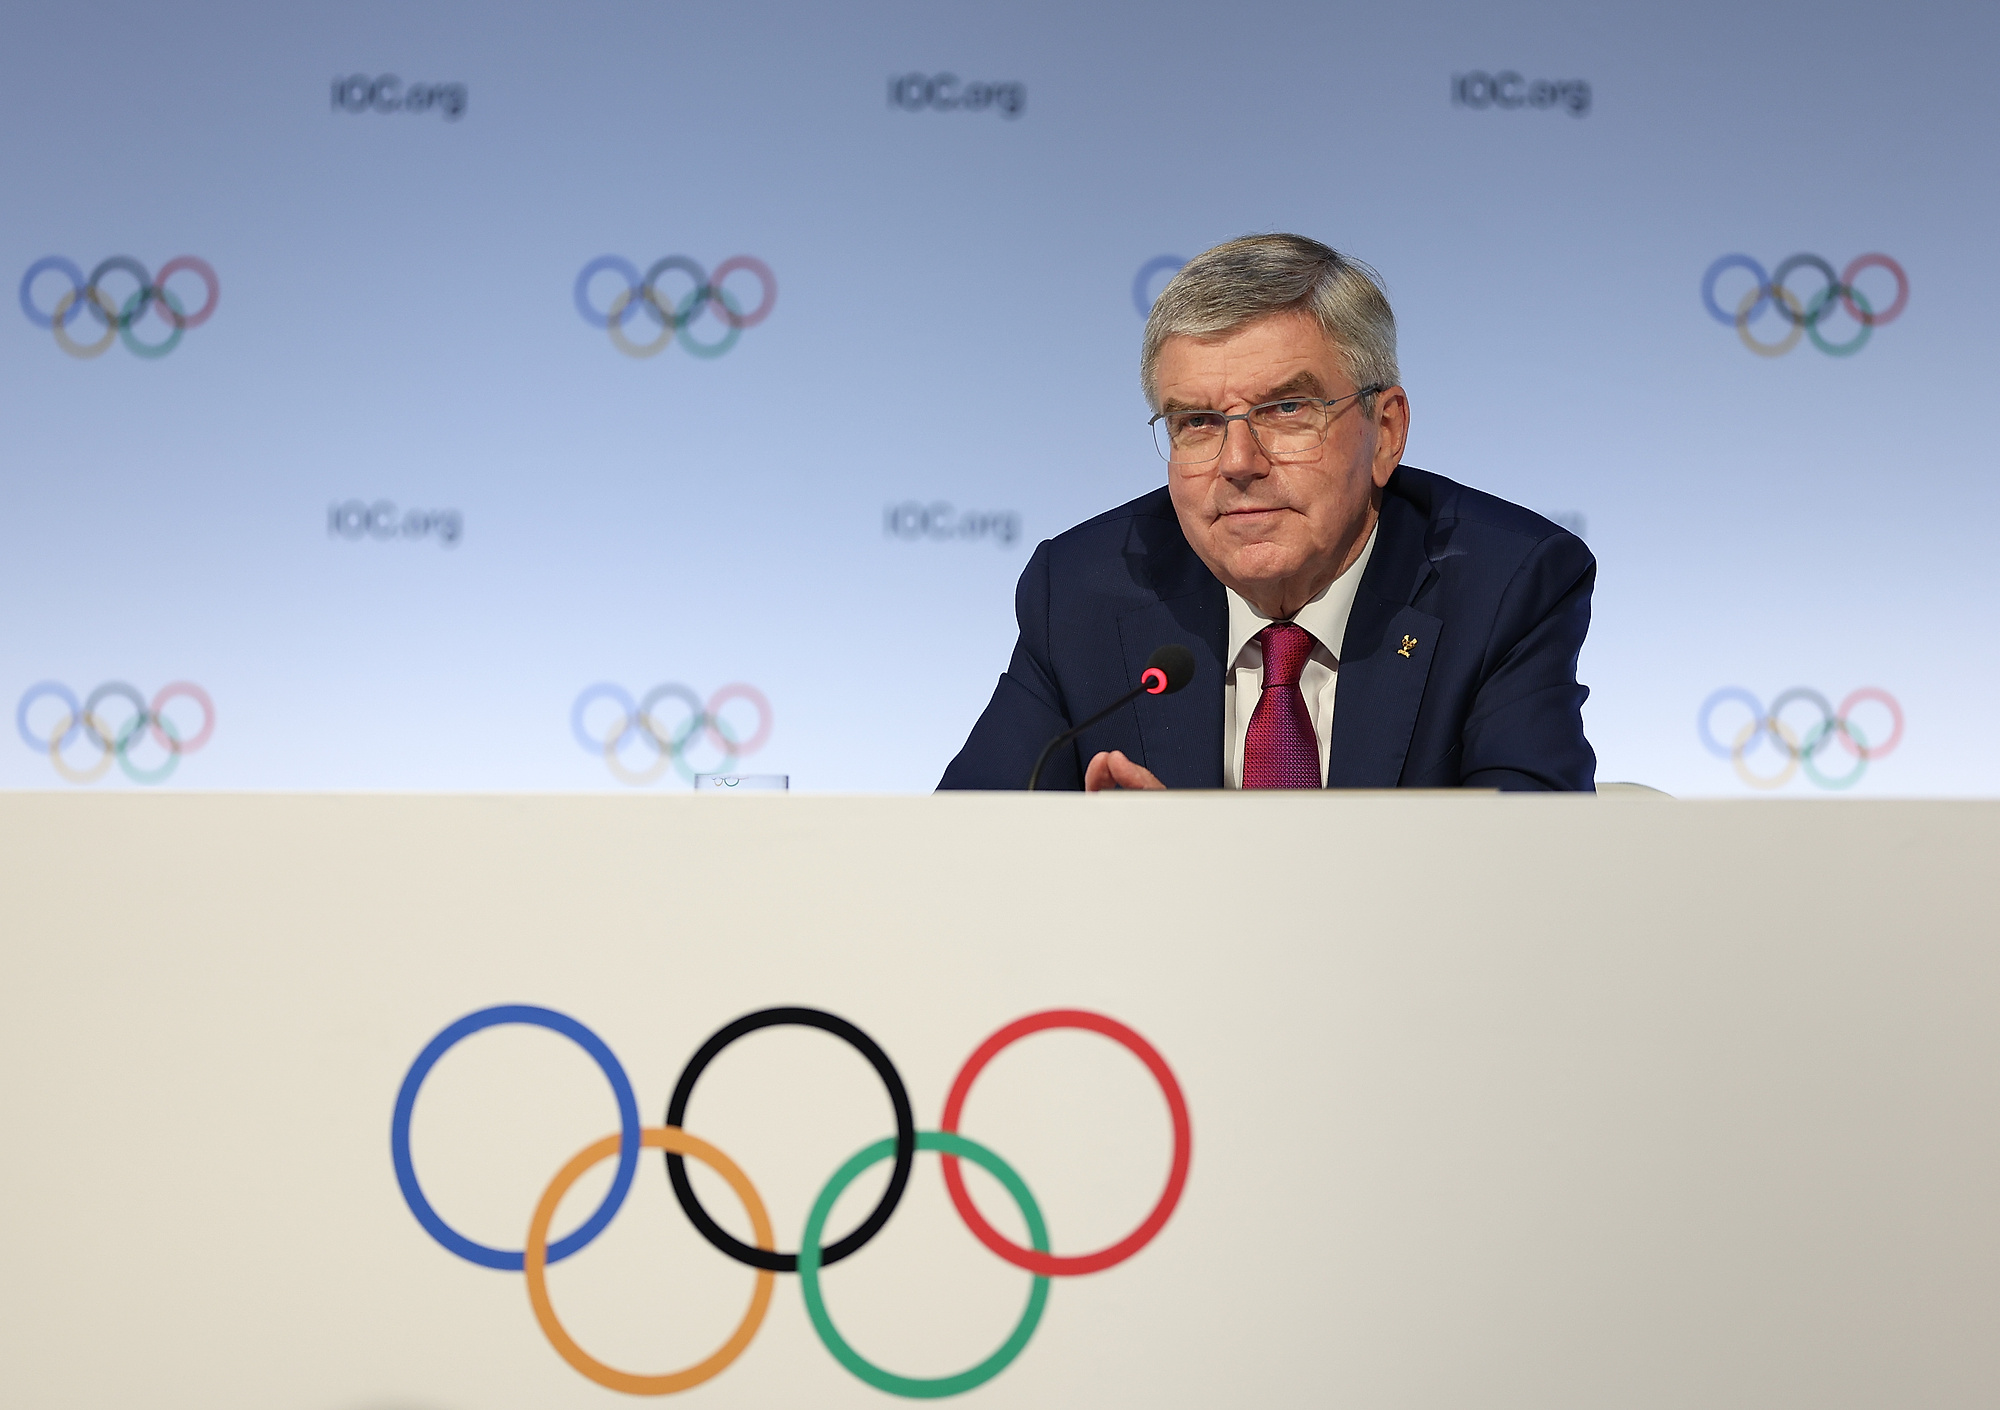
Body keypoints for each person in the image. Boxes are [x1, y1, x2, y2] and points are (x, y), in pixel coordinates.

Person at [938, 233, 1596, 792]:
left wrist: (1196, 870)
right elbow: (961, 858)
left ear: (1386, 431)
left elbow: (1529, 873)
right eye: (1197, 421)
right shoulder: (1083, 591)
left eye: (1287, 409)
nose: (1239, 462)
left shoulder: (1505, 585)